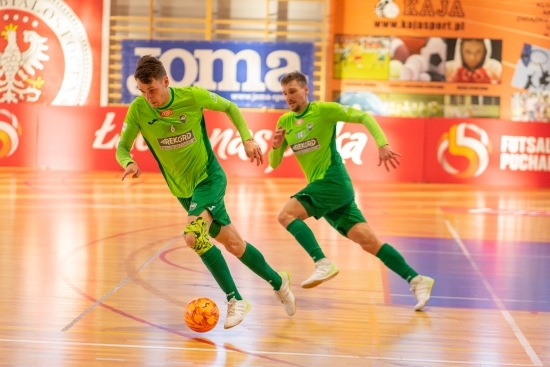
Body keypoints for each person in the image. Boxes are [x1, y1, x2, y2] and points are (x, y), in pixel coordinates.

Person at [116, 55, 296, 329]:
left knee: (192, 236)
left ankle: (235, 299)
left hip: (209, 179)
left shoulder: (191, 97)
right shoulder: (138, 110)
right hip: (183, 191)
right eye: (142, 91)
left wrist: (246, 138)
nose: (148, 97)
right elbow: (122, 147)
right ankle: (278, 282)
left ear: (165, 81)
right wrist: (128, 162)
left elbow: (230, 107)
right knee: (235, 245)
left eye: (152, 90)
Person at [268, 70, 435, 311]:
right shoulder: (284, 122)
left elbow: (364, 117)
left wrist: (382, 144)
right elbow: (274, 163)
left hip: (332, 181)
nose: (288, 97)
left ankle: (321, 262)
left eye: (292, 91)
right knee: (369, 242)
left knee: (286, 215)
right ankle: (417, 279)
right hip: (330, 192)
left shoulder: (324, 111)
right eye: (285, 93)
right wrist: (274, 146)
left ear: (306, 90)